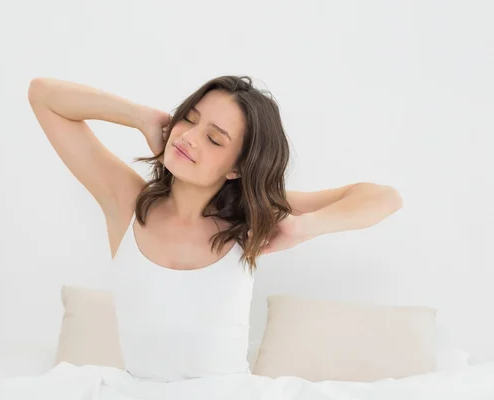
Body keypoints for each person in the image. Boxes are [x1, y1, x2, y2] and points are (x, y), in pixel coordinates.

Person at [26, 75, 403, 384]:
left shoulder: (250, 220)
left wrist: (306, 227)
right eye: (189, 119)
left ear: (236, 168)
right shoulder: (126, 203)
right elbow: (43, 95)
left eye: (214, 138)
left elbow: (383, 197)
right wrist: (141, 116)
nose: (189, 137)